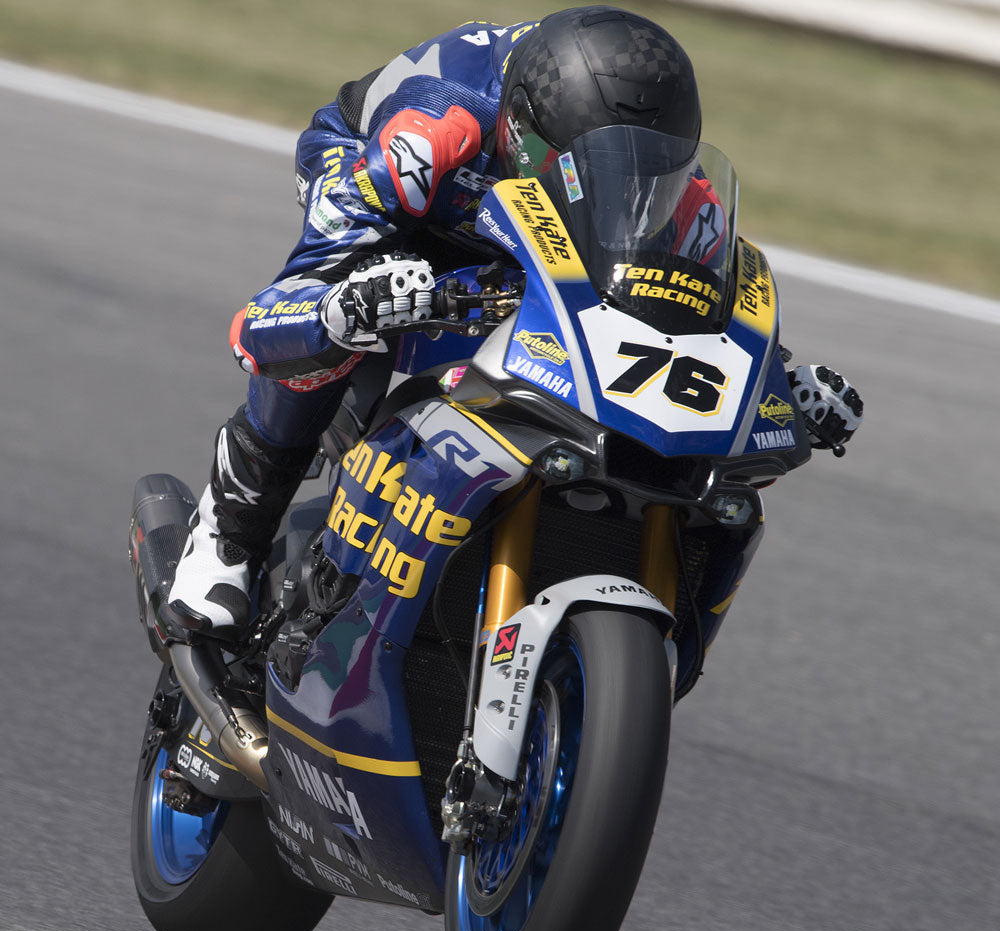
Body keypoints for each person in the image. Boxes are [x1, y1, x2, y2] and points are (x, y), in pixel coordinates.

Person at [168, 6, 863, 646]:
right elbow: (269, 316)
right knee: (343, 325)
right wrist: (341, 308)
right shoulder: (428, 137)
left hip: (524, 231)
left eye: (648, 172)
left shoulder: (673, 186)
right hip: (406, 193)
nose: (631, 189)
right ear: (522, 133)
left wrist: (771, 379)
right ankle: (230, 529)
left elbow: (691, 304)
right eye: (601, 171)